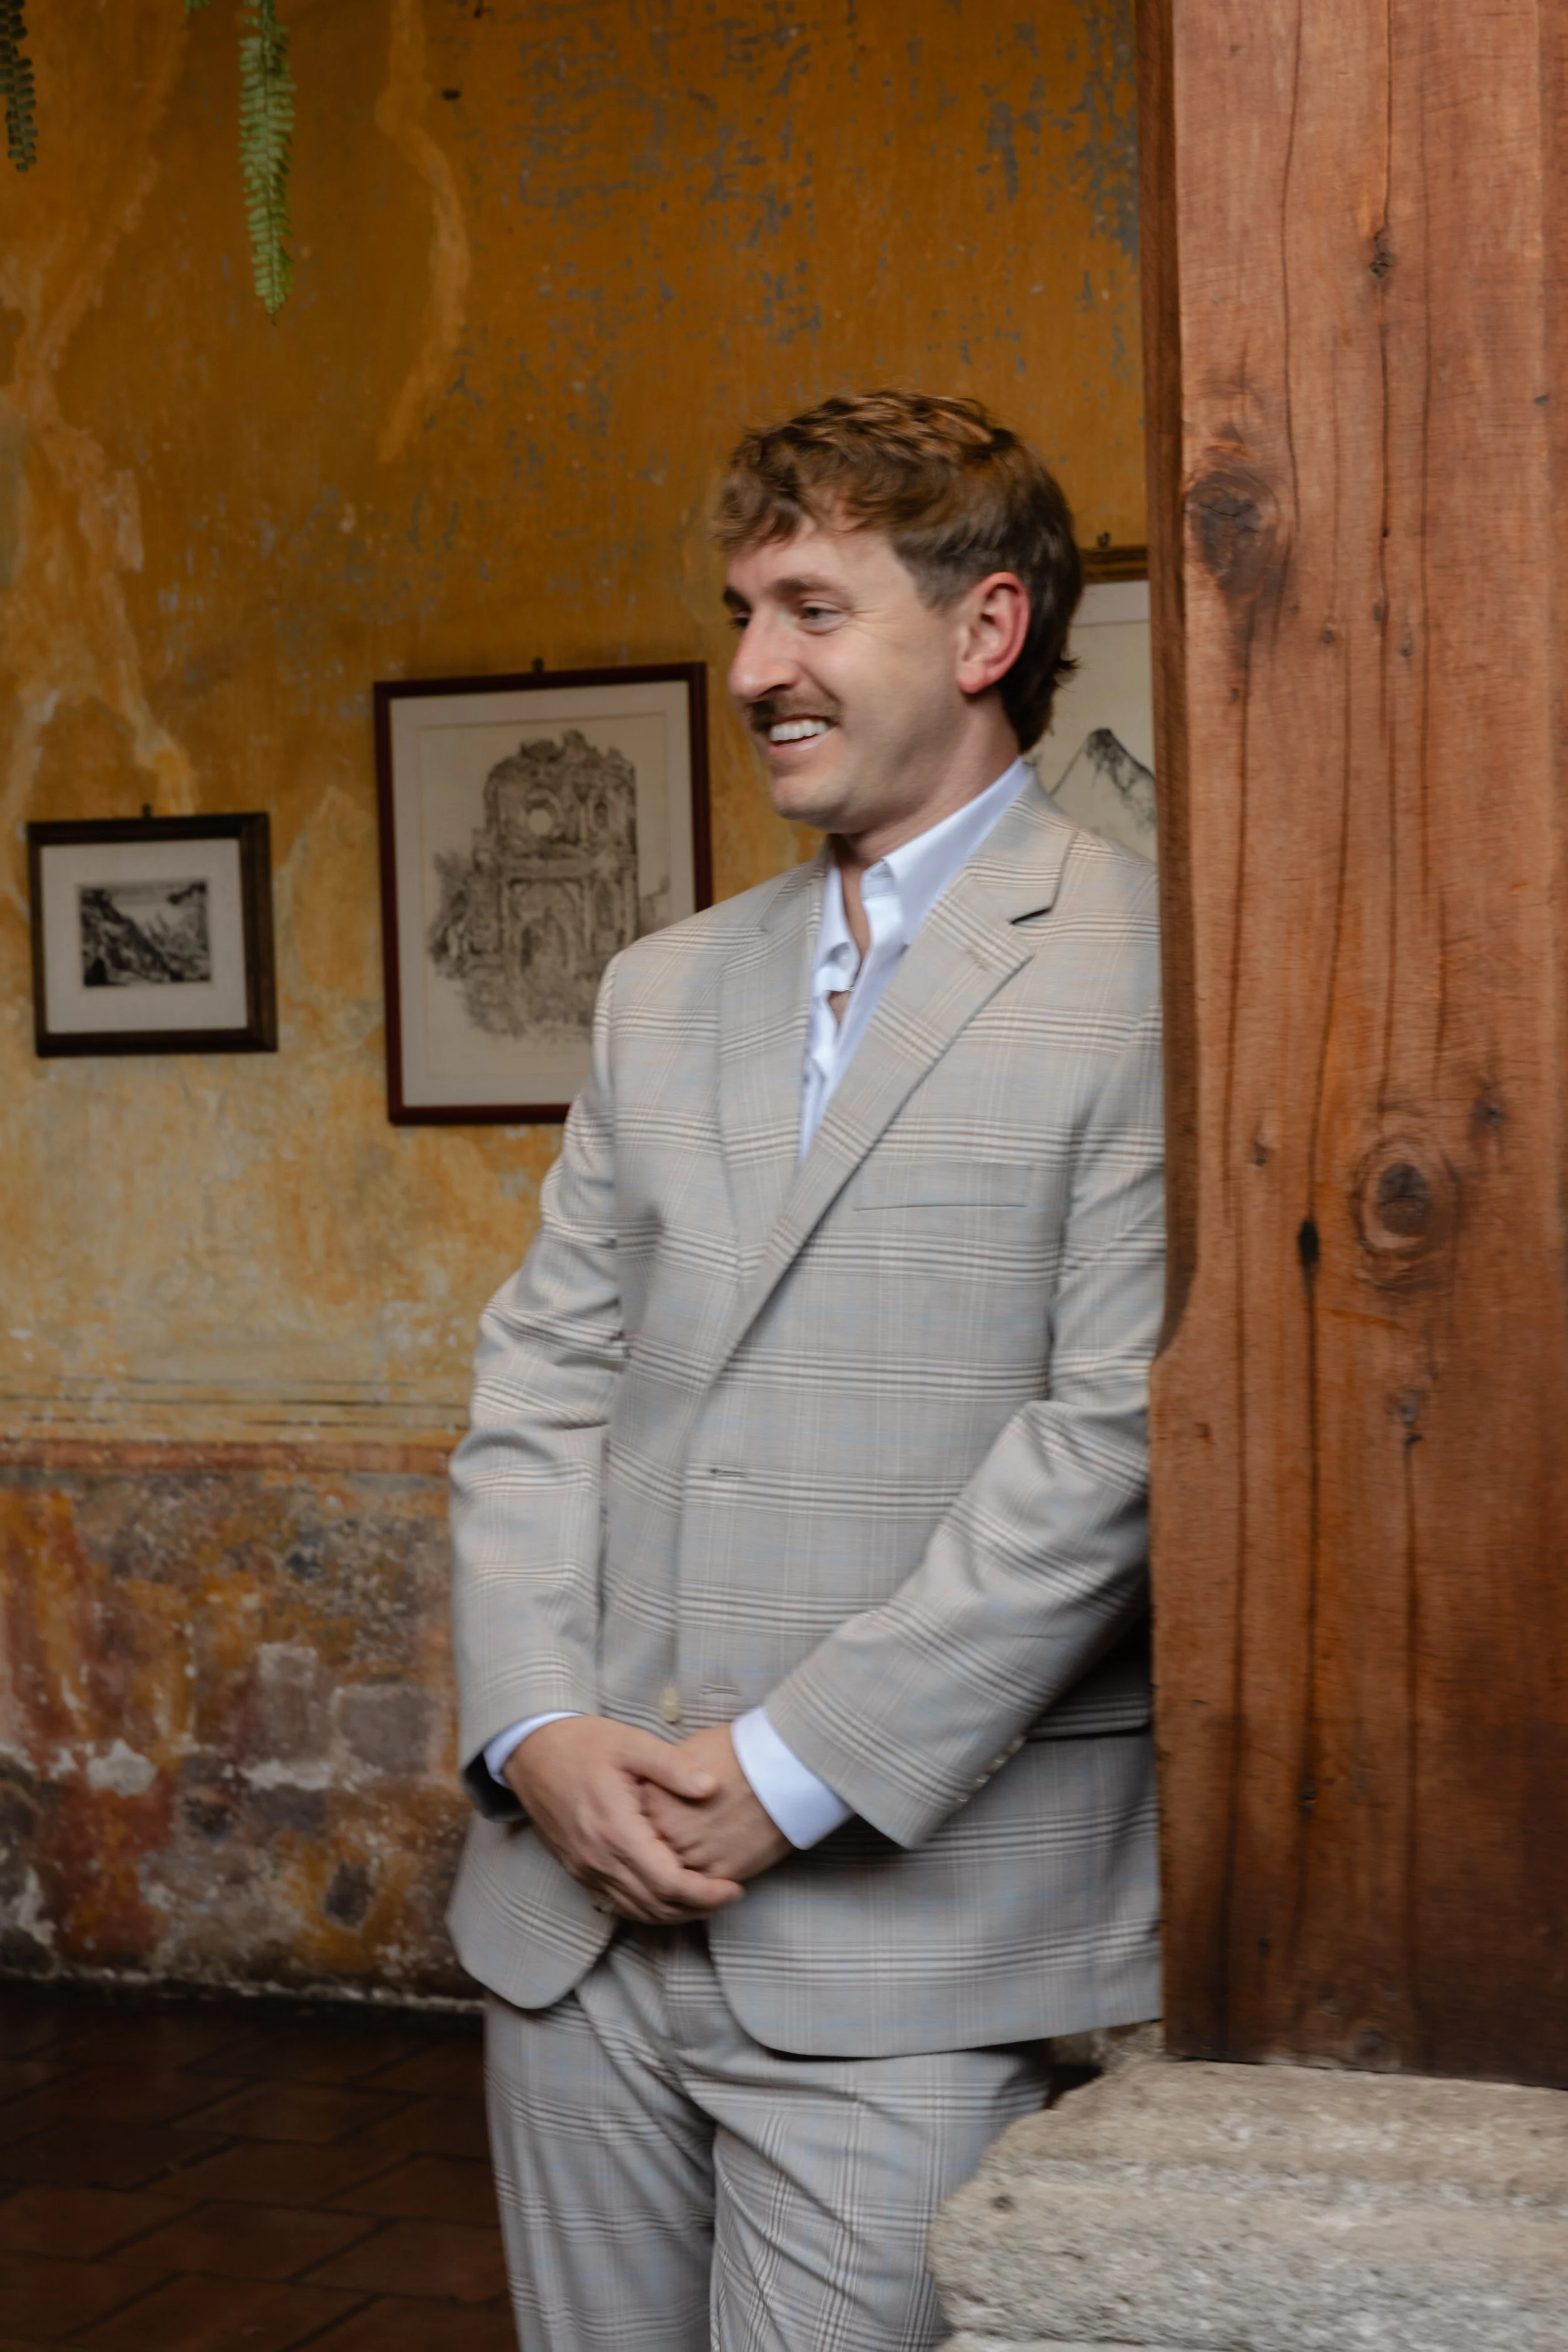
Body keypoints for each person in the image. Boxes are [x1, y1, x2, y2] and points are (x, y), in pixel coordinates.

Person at [448, 388, 1163, 2351]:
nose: (752, 666)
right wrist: (534, 1730)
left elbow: (1111, 1443)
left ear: (986, 631)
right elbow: (540, 1384)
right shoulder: (658, 986)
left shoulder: (1153, 969)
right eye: (741, 609)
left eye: (811, 610)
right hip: (566, 1929)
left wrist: (790, 1771)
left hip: (906, 1947)